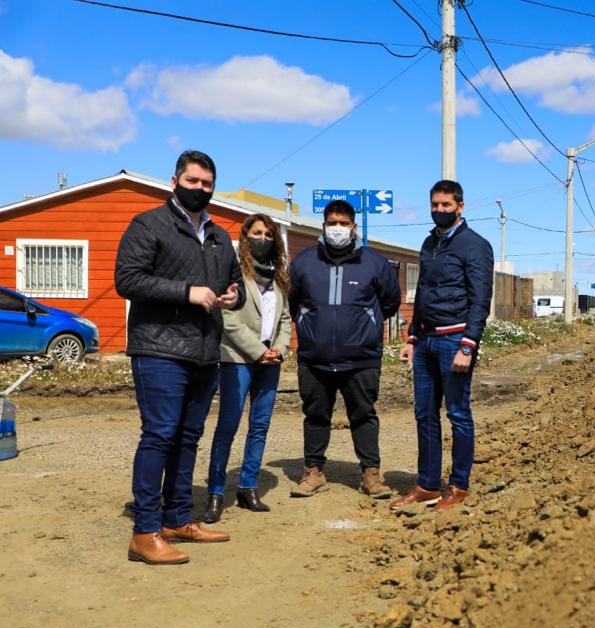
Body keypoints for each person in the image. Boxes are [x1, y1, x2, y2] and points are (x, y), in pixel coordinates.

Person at [115, 150, 244, 565]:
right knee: (160, 434)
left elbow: (234, 280)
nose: (200, 189)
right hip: (159, 348)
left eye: (207, 184)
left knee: (188, 436)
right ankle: (145, 530)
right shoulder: (148, 225)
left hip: (205, 350)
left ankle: (177, 518)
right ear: (174, 182)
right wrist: (187, 291)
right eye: (193, 182)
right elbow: (128, 279)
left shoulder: (221, 235)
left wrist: (233, 295)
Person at [288, 200, 401, 499]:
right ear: (323, 225)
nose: (337, 228)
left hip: (361, 358)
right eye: (331, 222)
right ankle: (314, 471)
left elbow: (390, 303)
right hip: (315, 357)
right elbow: (294, 302)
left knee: (364, 415)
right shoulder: (304, 262)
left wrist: (364, 325)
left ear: (353, 226)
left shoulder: (375, 263)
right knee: (315, 415)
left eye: (343, 223)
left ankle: (370, 474)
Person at [393, 180, 494, 513]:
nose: (439, 210)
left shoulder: (475, 246)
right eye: (435, 205)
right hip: (426, 340)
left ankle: (459, 487)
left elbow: (480, 300)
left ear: (460, 207)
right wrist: (411, 336)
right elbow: (423, 291)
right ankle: (427, 485)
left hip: (455, 340)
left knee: (458, 413)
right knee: (424, 414)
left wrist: (469, 345)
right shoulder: (428, 243)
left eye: (446, 205)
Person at [202, 214, 292, 523]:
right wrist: (257, 351)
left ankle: (247, 486)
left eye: (268, 234)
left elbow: (284, 318)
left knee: (260, 425)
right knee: (228, 425)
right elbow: (229, 319)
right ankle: (215, 491)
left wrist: (279, 348)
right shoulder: (236, 272)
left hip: (271, 361)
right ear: (245, 235)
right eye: (257, 233)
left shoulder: (279, 275)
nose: (263, 239)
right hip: (238, 359)